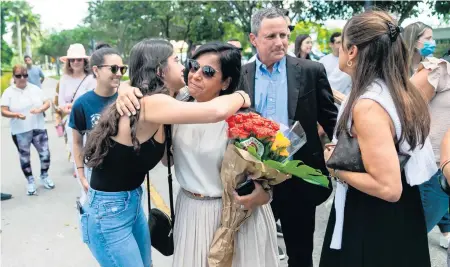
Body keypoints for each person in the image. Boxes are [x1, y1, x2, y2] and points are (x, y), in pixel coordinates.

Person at [80, 38, 251, 267]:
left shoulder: (162, 100)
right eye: (177, 60)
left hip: (130, 204)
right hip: (107, 213)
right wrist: (241, 95)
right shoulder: (152, 103)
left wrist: (124, 87)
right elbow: (215, 111)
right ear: (160, 69)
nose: (185, 68)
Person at [320, 10, 431, 267]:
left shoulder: (370, 104)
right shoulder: (397, 90)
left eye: (343, 44)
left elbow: (388, 188)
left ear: (353, 52)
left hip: (373, 219)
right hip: (399, 215)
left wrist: (336, 168)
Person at [240, 8, 337, 267]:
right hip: (257, 179)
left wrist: (336, 153)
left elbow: (331, 119)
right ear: (253, 39)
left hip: (299, 177)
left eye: (284, 34)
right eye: (271, 36)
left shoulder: (310, 71)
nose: (280, 41)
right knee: (255, 252)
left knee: (301, 253)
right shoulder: (241, 75)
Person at [407, 22, 450, 248]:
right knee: (411, 235)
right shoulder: (437, 69)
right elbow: (405, 112)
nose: (431, 42)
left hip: (443, 166)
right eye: (428, 37)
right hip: (431, 165)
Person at [69, 45, 123, 204]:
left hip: (126, 175)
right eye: (113, 68)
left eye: (122, 69)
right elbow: (77, 142)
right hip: (97, 174)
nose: (119, 73)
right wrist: (81, 175)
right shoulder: (82, 104)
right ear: (96, 70)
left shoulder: (126, 99)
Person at [1, 65, 54, 195]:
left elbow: (47, 102)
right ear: (14, 77)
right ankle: (30, 181)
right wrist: (16, 115)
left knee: (45, 154)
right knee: (25, 158)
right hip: (20, 131)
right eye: (19, 76)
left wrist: (41, 109)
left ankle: (44, 176)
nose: (22, 78)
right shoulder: (9, 92)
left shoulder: (35, 89)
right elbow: (3, 110)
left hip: (38, 127)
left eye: (25, 75)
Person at [58, 44, 96, 178]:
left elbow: (94, 100)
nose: (75, 62)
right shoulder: (64, 79)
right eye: (72, 60)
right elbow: (61, 104)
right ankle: (83, 190)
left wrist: (76, 106)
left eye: (78, 59)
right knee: (77, 153)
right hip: (72, 122)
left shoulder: (92, 79)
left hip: (90, 122)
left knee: (92, 153)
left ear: (84, 61)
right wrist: (67, 108)